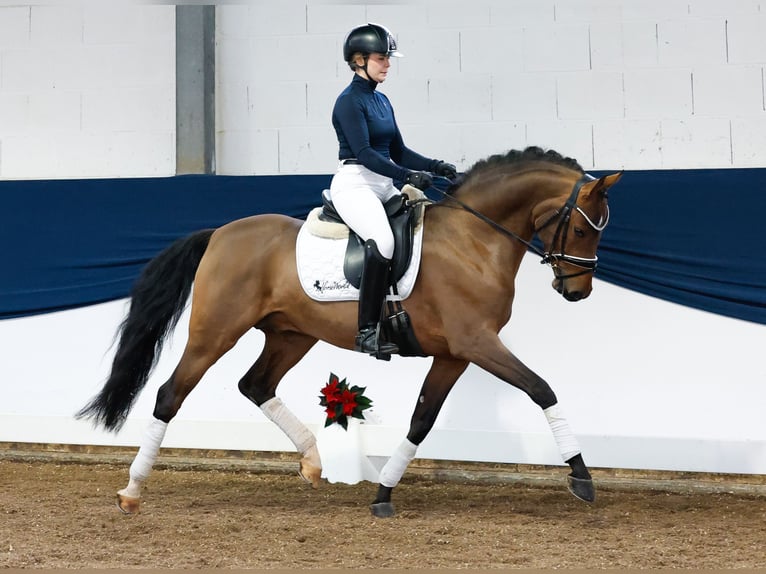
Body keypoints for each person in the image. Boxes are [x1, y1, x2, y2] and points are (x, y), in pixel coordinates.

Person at [329, 22, 457, 358]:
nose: (388, 64)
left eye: (388, 58)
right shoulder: (348, 103)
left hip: (382, 183)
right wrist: (408, 176)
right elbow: (367, 154)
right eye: (382, 58)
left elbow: (398, 150)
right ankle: (367, 331)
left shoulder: (382, 101)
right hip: (355, 184)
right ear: (359, 60)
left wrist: (434, 166)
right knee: (383, 241)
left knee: (425, 223)